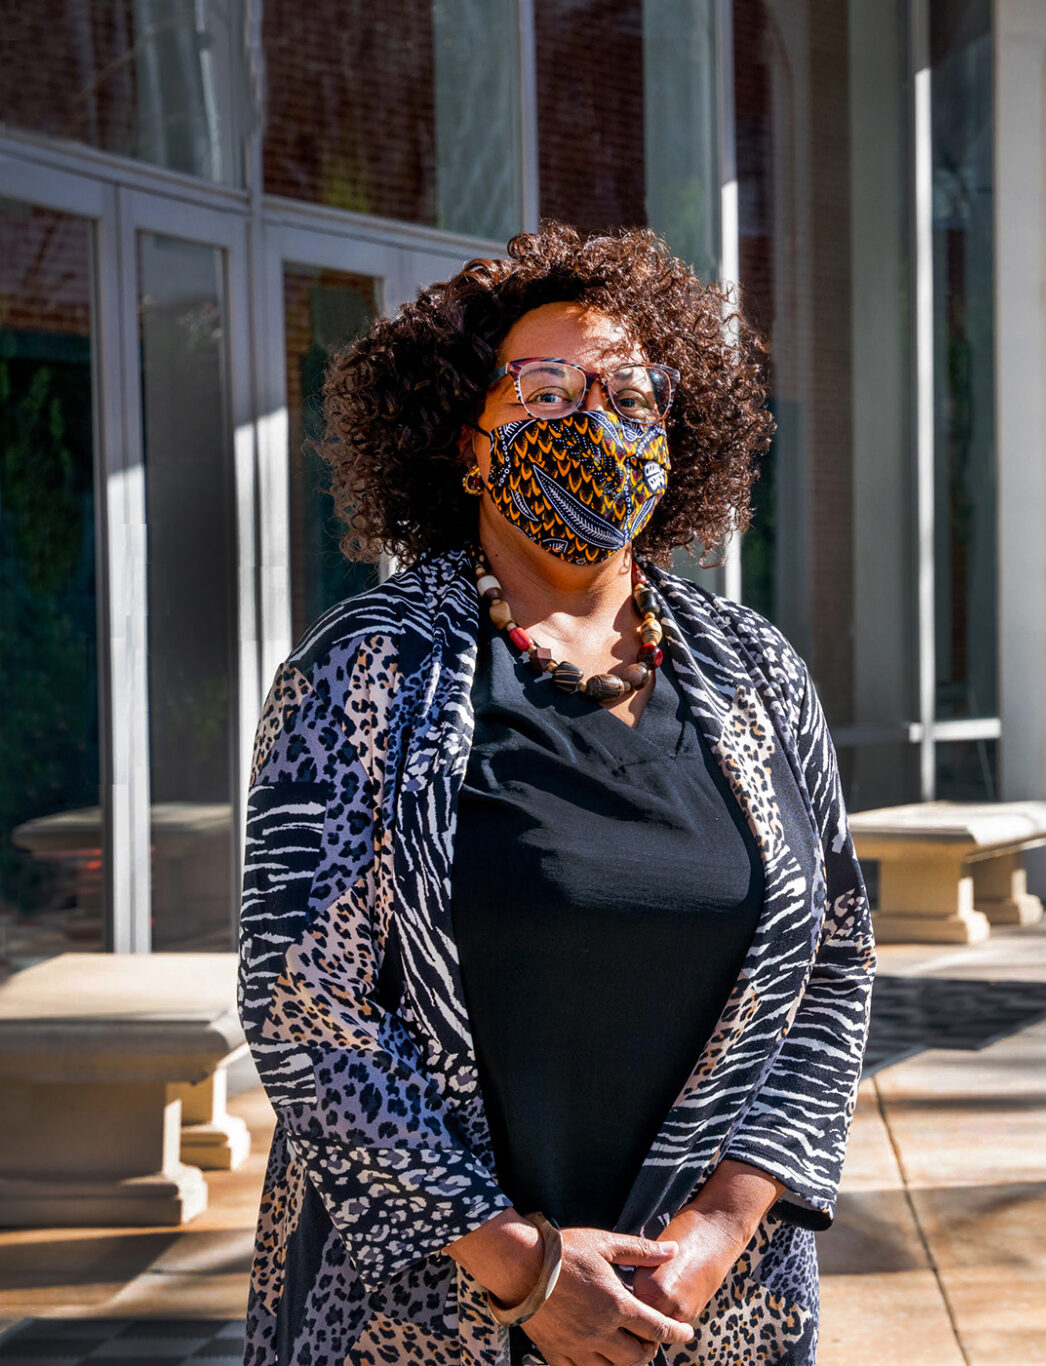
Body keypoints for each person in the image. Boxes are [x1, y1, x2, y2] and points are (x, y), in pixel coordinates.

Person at [237, 223, 873, 1366]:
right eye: (542, 385)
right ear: (466, 439)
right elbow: (304, 1002)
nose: (591, 416)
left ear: (677, 435)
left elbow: (831, 964)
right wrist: (522, 1266)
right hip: (428, 1310)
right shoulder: (366, 664)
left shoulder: (758, 667)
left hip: (706, 1309)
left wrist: (716, 1229)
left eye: (628, 389)